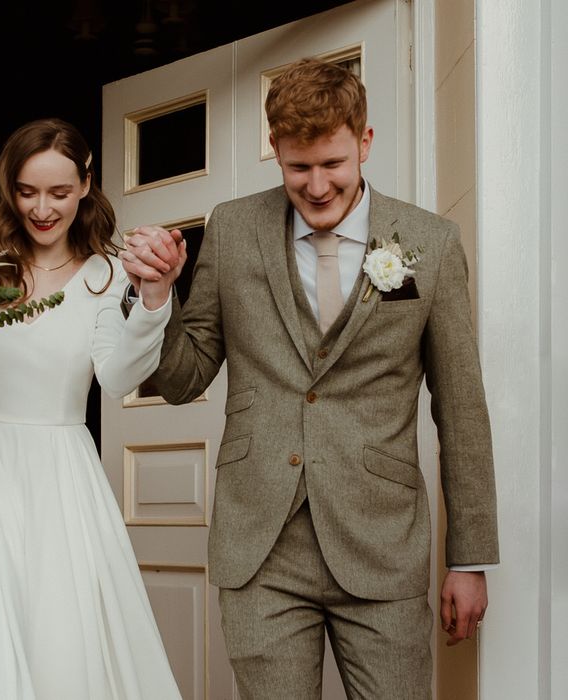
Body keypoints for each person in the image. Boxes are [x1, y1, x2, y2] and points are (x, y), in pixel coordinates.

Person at [120, 58, 499, 699]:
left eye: (334, 165)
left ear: (365, 143)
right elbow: (184, 379)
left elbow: (460, 407)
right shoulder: (234, 229)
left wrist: (469, 558)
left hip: (383, 542)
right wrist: (158, 296)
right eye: (299, 168)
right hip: (260, 543)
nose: (318, 186)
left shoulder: (429, 243)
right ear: (276, 153)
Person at [0, 118, 184, 699]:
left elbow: (119, 376)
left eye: (59, 193)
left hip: (62, 472)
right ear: (8, 187)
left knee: (62, 634)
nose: (41, 208)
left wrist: (154, 298)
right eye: (27, 191)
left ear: (87, 185)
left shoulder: (107, 275)